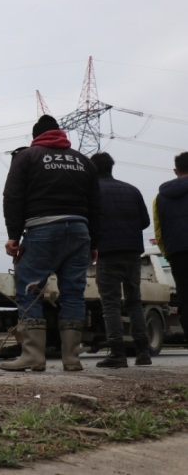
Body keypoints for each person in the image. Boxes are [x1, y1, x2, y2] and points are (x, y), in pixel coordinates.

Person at [1, 115, 101, 372]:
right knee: (73, 294)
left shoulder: (27, 157)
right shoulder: (84, 161)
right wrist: (94, 243)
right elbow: (96, 206)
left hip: (42, 230)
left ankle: (33, 355)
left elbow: (12, 196)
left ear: (35, 137)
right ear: (60, 133)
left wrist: (13, 235)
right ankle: (71, 359)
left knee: (30, 290)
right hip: (80, 232)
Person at [90, 152, 152, 368]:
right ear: (111, 167)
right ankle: (143, 352)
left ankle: (117, 353)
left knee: (111, 305)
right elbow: (144, 221)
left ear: (93, 169)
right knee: (135, 302)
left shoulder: (92, 192)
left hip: (107, 253)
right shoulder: (132, 190)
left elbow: (90, 223)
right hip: (133, 252)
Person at [152, 151, 188, 345]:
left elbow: (158, 230)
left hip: (177, 253)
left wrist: (168, 253)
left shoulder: (160, 198)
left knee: (185, 297)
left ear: (176, 170)